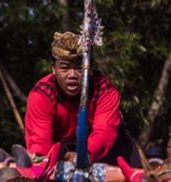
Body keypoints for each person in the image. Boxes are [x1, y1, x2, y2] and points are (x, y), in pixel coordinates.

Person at [24, 31, 138, 165]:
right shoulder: (41, 94)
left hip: (107, 151)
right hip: (59, 152)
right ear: (53, 69)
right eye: (65, 68)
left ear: (90, 69)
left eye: (79, 68)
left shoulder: (105, 91)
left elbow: (104, 132)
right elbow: (39, 140)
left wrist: (83, 155)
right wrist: (42, 161)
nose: (72, 75)